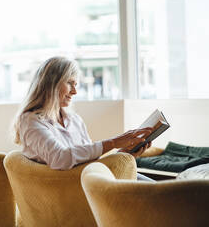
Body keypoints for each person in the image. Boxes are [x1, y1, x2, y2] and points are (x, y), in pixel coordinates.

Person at [13, 56, 153, 180]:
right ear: (51, 84)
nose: (74, 91)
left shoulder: (74, 120)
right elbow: (61, 158)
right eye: (69, 83)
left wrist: (124, 153)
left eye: (76, 84)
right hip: (72, 192)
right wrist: (114, 142)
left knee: (161, 192)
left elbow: (90, 162)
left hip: (91, 183)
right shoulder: (30, 121)